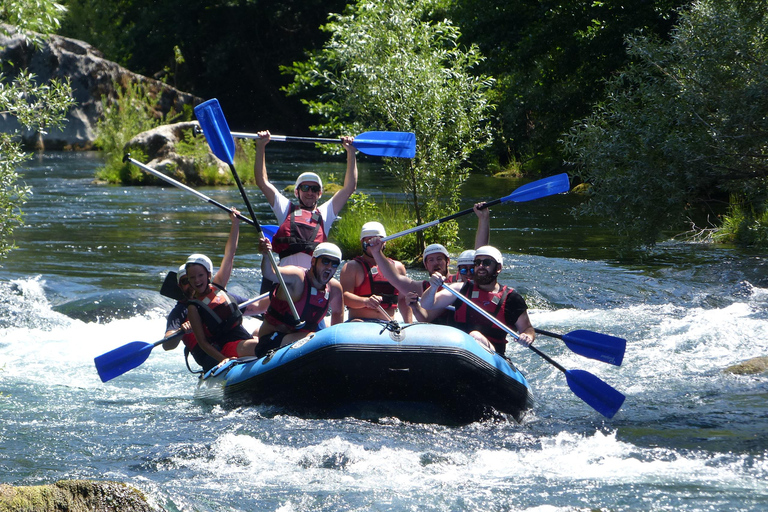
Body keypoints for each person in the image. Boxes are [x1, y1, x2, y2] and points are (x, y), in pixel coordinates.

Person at [253, 130, 358, 291]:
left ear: (320, 193)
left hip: (312, 285)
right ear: (297, 192)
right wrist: (261, 146)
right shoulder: (286, 210)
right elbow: (262, 181)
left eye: (314, 189)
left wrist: (351, 152)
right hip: (284, 282)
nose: (310, 192)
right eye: (305, 188)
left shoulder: (325, 213)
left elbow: (349, 187)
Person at [163, 210, 265, 371]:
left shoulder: (216, 292)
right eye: (187, 280)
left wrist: (235, 223)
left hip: (233, 342)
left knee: (262, 332)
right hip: (211, 357)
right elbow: (168, 344)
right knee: (260, 344)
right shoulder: (181, 312)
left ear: (207, 275)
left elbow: (230, 255)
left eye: (200, 276)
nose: (193, 283)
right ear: (181, 285)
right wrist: (181, 330)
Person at [419, 245, 535, 354]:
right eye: (477, 262)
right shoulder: (460, 289)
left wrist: (527, 336)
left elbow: (527, 328)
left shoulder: (511, 298)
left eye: (486, 263)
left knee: (476, 336)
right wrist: (433, 287)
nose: (480, 266)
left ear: (498, 268)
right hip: (458, 349)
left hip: (493, 355)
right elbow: (427, 304)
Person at [256, 240, 345, 357]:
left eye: (334, 264)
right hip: (271, 341)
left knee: (321, 338)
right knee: (316, 338)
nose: (329, 267)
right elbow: (269, 272)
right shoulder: (297, 277)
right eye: (325, 261)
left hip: (302, 342)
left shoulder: (334, 288)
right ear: (313, 261)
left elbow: (338, 313)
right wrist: (266, 255)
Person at [339, 222, 413, 323]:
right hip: (359, 322)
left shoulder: (398, 267)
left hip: (388, 324)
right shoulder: (352, 267)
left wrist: (409, 324)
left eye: (377, 240)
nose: (373, 244)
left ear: (384, 242)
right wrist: (365, 302)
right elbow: (344, 296)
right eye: (369, 240)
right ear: (362, 243)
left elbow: (404, 300)